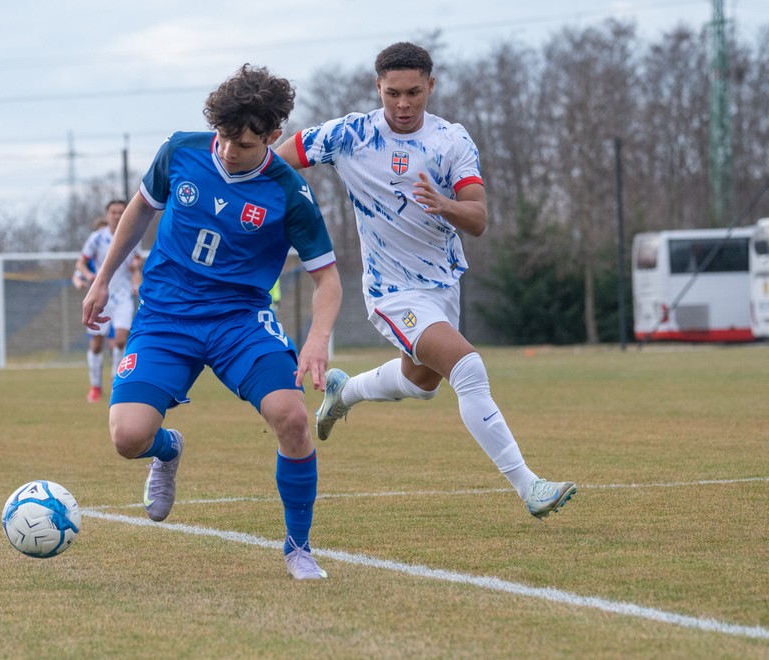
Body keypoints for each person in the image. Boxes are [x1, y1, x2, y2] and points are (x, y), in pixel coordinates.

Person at [275, 42, 576, 519]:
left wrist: (446, 205)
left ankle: (344, 391)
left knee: (420, 385)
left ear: (430, 86)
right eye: (392, 93)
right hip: (390, 291)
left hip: (441, 285)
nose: (403, 104)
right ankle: (529, 486)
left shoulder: (451, 141)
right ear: (378, 87)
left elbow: (477, 219)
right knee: (469, 370)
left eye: (414, 92)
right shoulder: (349, 133)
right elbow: (276, 160)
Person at [82, 64, 342, 579]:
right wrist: (102, 278)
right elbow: (138, 210)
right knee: (127, 438)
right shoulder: (181, 150)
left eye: (242, 144)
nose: (226, 151)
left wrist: (316, 339)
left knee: (291, 417)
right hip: (165, 317)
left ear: (273, 137)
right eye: (222, 137)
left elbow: (328, 279)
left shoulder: (289, 193)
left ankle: (298, 547)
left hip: (239, 322)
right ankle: (168, 448)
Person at [73, 200, 138, 403]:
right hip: (102, 295)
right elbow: (81, 263)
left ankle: (115, 380)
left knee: (120, 340)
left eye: (121, 212)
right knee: (96, 344)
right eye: (113, 212)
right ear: (107, 214)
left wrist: (137, 279)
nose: (118, 216)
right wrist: (89, 276)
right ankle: (95, 386)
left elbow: (136, 265)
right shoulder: (97, 238)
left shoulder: (134, 233)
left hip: (123, 297)